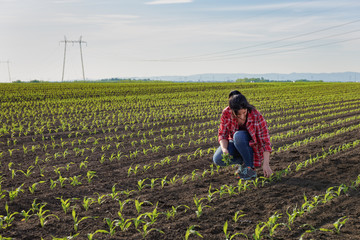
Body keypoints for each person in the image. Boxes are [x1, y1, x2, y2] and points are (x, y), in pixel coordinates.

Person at [213, 91, 273, 180]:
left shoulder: (256, 115)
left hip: (253, 147)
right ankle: (244, 163)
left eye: (244, 112)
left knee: (238, 136)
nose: (242, 116)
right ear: (232, 111)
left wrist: (266, 164)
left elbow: (265, 142)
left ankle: (250, 168)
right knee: (218, 159)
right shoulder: (226, 113)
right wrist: (224, 149)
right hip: (236, 144)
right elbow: (223, 134)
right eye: (238, 114)